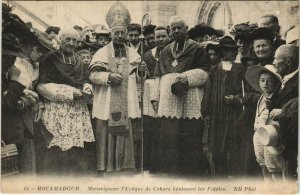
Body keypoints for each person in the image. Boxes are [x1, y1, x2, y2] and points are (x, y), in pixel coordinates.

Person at [151, 16, 210, 176]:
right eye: (173, 28)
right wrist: (155, 98)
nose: (176, 31)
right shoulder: (165, 50)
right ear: (170, 31)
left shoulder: (196, 48)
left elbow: (205, 72)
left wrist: (187, 77)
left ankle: (189, 171)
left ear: (186, 29)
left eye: (179, 28)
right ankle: (170, 171)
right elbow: (158, 75)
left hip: (190, 97)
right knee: (169, 134)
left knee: (189, 134)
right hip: (168, 101)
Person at [89, 1, 142, 174]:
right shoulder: (101, 53)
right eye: (116, 33)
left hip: (127, 101)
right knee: (105, 126)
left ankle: (124, 165)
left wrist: (142, 71)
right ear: (111, 33)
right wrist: (108, 77)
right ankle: (105, 166)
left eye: (122, 33)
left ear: (126, 34)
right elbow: (93, 76)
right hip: (107, 100)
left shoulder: (134, 53)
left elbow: (140, 77)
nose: (119, 36)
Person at [36, 28, 95, 175]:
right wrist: (69, 93)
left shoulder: (79, 59)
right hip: (58, 107)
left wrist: (87, 88)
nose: (71, 43)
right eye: (67, 39)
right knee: (58, 143)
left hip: (77, 108)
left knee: (76, 144)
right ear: (60, 40)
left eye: (74, 40)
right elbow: (42, 85)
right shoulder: (50, 58)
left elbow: (85, 80)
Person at [204, 36, 243, 177]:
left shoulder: (241, 69)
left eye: (234, 50)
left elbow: (245, 92)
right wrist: (206, 113)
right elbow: (207, 94)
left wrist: (237, 99)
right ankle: (220, 177)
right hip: (217, 115)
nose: (232, 53)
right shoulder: (214, 71)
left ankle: (234, 176)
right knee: (216, 146)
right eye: (227, 50)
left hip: (234, 114)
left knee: (233, 146)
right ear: (222, 52)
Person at [245, 64, 284, 180]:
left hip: (271, 136)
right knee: (262, 162)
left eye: (270, 81)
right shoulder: (261, 97)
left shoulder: (278, 98)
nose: (265, 84)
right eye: (262, 80)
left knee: (273, 165)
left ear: (276, 83)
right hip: (259, 133)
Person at [141, 26, 170, 171]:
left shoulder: (173, 53)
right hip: (150, 91)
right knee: (150, 126)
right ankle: (149, 163)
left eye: (163, 36)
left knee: (164, 126)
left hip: (167, 90)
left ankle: (163, 164)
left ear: (168, 36)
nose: (160, 39)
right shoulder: (148, 55)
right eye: (157, 37)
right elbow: (144, 75)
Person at [270, 45, 299, 179]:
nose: (274, 62)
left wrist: (282, 111)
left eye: (276, 58)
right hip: (283, 139)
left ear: (288, 61)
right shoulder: (283, 79)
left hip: (292, 141)